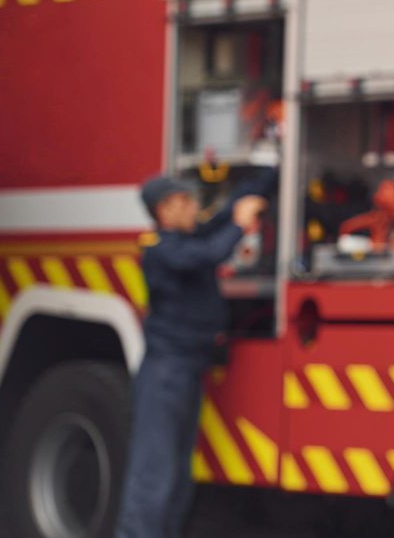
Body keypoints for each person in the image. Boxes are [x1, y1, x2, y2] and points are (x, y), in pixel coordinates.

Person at [116, 168, 277, 538]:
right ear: (164, 210)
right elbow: (206, 253)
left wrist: (267, 177)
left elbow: (222, 217)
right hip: (165, 374)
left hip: (186, 370)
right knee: (153, 476)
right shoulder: (161, 248)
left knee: (175, 476)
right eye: (184, 201)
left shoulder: (189, 235)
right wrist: (238, 226)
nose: (193, 207)